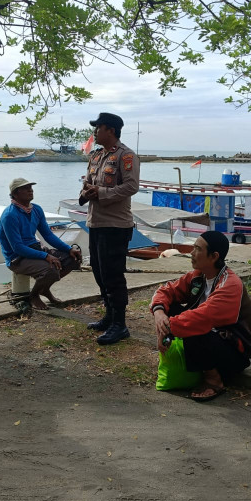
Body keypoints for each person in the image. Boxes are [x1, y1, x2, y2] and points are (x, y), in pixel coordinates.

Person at [150, 231, 251, 401]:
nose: (191, 253)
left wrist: (167, 328)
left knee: (194, 326)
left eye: (197, 249)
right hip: (211, 341)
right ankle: (201, 367)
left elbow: (203, 318)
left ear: (214, 256)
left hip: (235, 352)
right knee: (169, 308)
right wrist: (159, 314)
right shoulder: (198, 276)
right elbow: (167, 291)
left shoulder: (230, 284)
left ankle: (214, 381)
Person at [78, 112, 140, 345]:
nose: (95, 132)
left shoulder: (126, 156)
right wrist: (86, 192)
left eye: (99, 128)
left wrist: (101, 193)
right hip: (96, 222)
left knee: (113, 275)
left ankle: (120, 325)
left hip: (115, 225)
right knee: (98, 271)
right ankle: (109, 316)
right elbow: (88, 184)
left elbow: (131, 186)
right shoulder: (96, 156)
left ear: (111, 130)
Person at [0, 177, 82, 310]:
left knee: (73, 259)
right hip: (17, 258)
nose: (30, 191)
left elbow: (48, 235)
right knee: (51, 270)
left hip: (34, 249)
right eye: (25, 189)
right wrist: (46, 256)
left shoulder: (36, 209)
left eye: (31, 188)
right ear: (15, 193)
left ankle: (44, 288)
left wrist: (68, 249)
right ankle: (34, 296)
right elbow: (18, 247)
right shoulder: (10, 215)